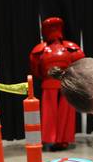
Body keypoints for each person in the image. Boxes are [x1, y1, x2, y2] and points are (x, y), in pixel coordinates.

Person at [30, 17, 85, 151]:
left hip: (58, 83)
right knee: (56, 112)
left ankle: (56, 139)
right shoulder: (69, 48)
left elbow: (36, 70)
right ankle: (57, 139)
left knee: (56, 112)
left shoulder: (43, 50)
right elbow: (81, 66)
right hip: (59, 83)